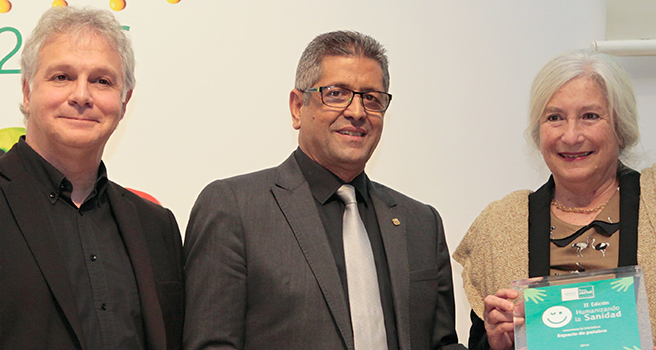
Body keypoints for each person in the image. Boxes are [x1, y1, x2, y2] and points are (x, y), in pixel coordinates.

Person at [0, 7, 183, 350]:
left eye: (102, 81)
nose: (82, 95)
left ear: (124, 99)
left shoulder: (156, 226)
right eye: (62, 77)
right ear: (28, 91)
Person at [183, 30, 464, 350]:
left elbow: (442, 344)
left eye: (371, 98)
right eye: (336, 93)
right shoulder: (234, 207)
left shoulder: (421, 222)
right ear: (297, 107)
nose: (357, 112)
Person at [453, 49, 656, 350]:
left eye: (590, 116)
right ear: (538, 132)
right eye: (554, 118)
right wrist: (496, 342)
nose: (571, 136)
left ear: (620, 128)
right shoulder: (501, 226)